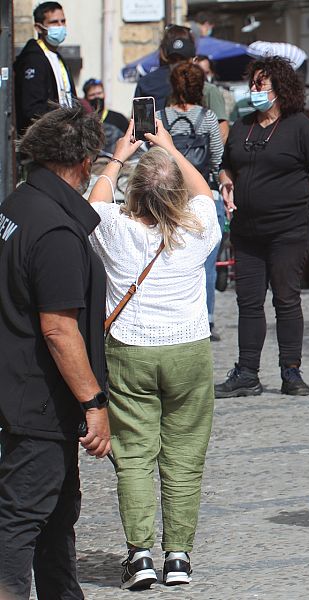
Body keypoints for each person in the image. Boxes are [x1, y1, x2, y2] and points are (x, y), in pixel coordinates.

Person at [87, 118, 220, 590]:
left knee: (135, 454)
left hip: (131, 347)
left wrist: (120, 153)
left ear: (134, 192)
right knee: (184, 455)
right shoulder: (197, 226)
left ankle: (140, 553)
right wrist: (170, 148)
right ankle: (179, 555)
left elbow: (93, 201)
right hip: (187, 346)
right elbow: (205, 192)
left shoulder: (115, 229)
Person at [0, 106, 111, 599]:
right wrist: (94, 403)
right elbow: (59, 330)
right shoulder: (57, 231)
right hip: (38, 400)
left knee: (57, 517)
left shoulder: (17, 206)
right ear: (85, 162)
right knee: (21, 521)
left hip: (21, 390)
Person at [215, 57, 309, 398]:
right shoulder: (243, 126)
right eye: (252, 84)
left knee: (285, 298)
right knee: (249, 302)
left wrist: (300, 190)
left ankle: (291, 371)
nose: (254, 90)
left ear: (279, 90)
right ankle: (247, 372)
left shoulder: (299, 127)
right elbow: (226, 165)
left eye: (260, 85)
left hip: (289, 228)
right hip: (247, 230)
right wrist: (226, 182)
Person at [158, 62, 224, 342]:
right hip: (202, 195)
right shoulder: (208, 118)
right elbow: (218, 157)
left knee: (168, 259)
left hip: (170, 196)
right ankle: (206, 319)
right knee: (206, 264)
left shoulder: (161, 116)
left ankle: (170, 315)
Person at [134, 25, 229, 144]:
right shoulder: (207, 88)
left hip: (161, 155)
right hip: (183, 157)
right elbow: (222, 133)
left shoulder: (146, 83)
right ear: (193, 58)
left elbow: (140, 132)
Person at [14, 2, 76, 135]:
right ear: (38, 27)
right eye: (54, 22)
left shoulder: (57, 57)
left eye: (63, 21)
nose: (60, 26)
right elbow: (32, 109)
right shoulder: (33, 59)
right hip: (46, 140)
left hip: (66, 137)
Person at [83, 78, 130, 154]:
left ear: (104, 94)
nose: (97, 97)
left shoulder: (119, 118)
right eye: (92, 95)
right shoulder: (84, 121)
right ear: (86, 98)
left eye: (99, 93)